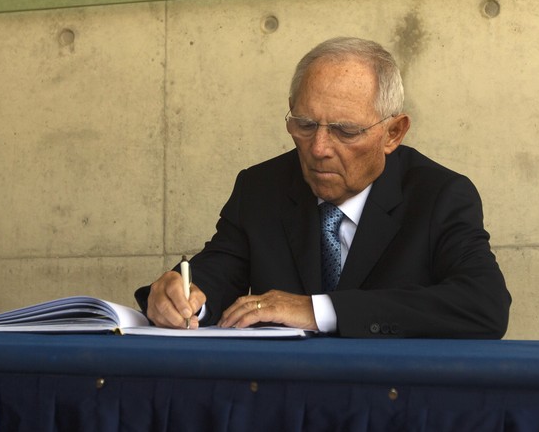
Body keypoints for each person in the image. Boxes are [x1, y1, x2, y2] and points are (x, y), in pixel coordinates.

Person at [135, 37, 510, 338]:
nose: (319, 149)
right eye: (305, 124)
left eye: (346, 131)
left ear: (393, 132)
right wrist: (184, 299)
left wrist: (317, 310)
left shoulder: (439, 195)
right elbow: (218, 271)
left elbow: (484, 304)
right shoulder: (260, 188)